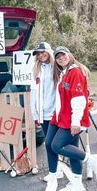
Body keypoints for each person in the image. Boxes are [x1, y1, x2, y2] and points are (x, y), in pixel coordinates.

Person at [44, 46, 97, 191]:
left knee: (57, 146)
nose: (60, 58)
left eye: (63, 55)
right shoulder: (65, 73)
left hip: (72, 119)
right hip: (59, 117)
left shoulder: (75, 72)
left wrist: (76, 121)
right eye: (58, 57)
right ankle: (76, 185)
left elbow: (79, 99)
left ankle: (93, 160)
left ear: (69, 55)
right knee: (51, 144)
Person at [30, 42, 63, 181]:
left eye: (43, 52)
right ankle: (57, 170)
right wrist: (35, 113)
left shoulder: (57, 68)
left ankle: (53, 172)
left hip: (55, 112)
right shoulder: (36, 69)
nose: (41, 55)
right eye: (38, 53)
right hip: (42, 114)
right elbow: (33, 93)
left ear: (49, 51)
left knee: (50, 144)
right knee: (51, 144)